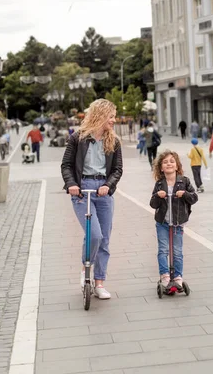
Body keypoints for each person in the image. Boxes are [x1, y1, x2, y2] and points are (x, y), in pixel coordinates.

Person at [61, 99, 123, 300]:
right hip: (82, 189)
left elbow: (117, 169)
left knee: (104, 238)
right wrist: (72, 185)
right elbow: (67, 165)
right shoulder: (78, 138)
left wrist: (109, 185)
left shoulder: (113, 141)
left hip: (104, 191)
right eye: (111, 116)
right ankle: (85, 270)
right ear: (100, 115)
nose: (114, 120)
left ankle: (99, 283)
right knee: (94, 234)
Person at [149, 150, 198, 289]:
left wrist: (185, 194)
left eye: (172, 161)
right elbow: (153, 204)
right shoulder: (159, 184)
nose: (169, 164)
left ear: (177, 166)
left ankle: (177, 276)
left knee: (177, 251)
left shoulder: (184, 181)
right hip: (162, 223)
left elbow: (194, 198)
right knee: (163, 250)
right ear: (161, 168)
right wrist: (158, 196)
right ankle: (164, 275)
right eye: (165, 162)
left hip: (178, 222)